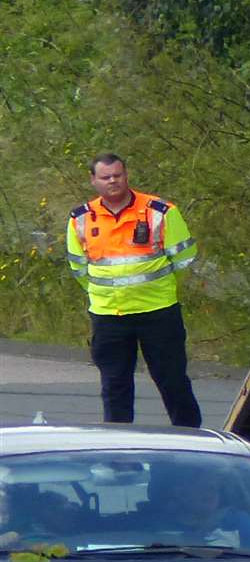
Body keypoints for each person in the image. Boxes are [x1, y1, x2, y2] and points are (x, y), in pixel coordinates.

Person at [67, 153, 202, 426]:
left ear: (127, 176)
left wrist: (158, 289)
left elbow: (184, 260)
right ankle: (118, 445)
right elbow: (79, 269)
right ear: (93, 181)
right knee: (115, 386)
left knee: (172, 380)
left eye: (118, 175)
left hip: (158, 312)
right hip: (108, 316)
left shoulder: (160, 212)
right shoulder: (81, 219)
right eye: (105, 177)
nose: (113, 181)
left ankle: (191, 438)